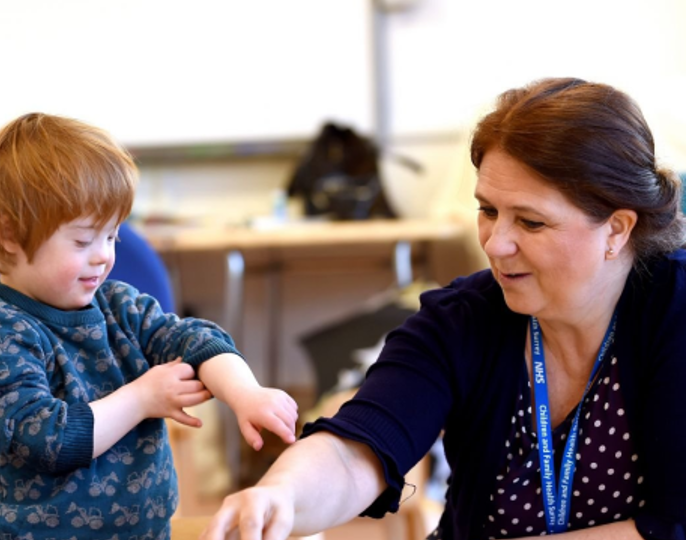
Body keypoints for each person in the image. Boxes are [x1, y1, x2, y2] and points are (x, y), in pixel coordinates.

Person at [202, 77, 686, 540]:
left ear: (618, 229)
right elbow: (359, 449)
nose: (496, 245)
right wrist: (279, 495)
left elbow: (675, 526)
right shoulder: (462, 318)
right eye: (488, 211)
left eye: (532, 222)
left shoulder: (675, 311)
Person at [0, 113, 299, 540]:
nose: (103, 255)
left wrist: (246, 393)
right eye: (84, 240)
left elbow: (196, 341)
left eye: (112, 237)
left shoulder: (120, 307)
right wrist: (142, 398)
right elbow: (48, 438)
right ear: (9, 235)